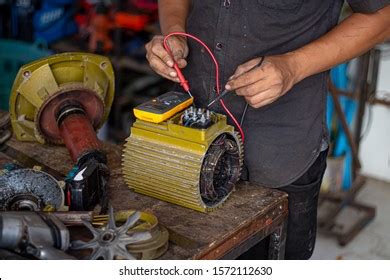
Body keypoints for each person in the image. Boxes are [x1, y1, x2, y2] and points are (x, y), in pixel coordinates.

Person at [145, 0, 390, 259]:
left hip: (277, 150)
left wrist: (293, 67)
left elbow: (383, 18)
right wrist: (173, 31)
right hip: (186, 131)